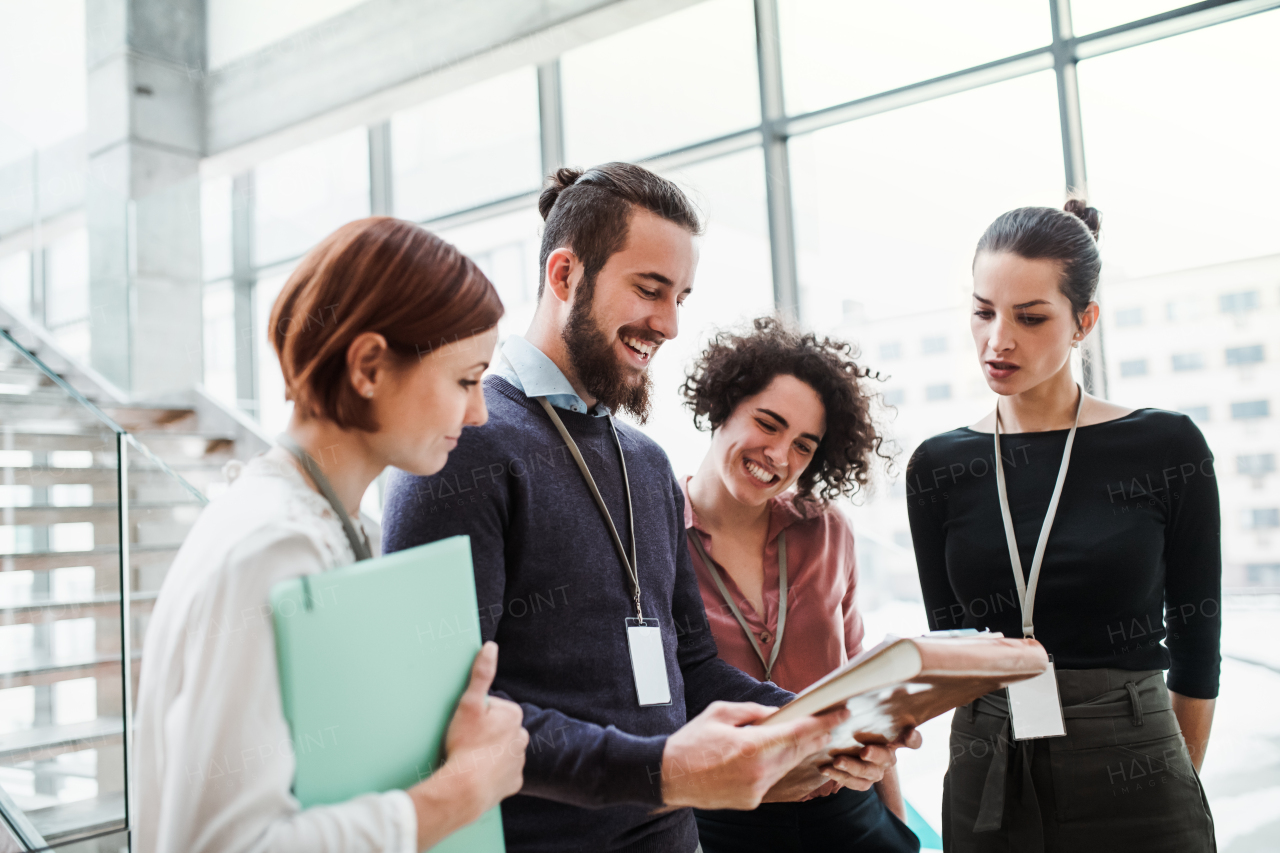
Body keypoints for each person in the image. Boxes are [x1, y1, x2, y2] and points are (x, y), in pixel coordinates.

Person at [381, 163, 887, 853]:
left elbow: (695, 667)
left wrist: (824, 723)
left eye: (680, 296)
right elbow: (438, 707)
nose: (670, 323)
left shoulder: (644, 462)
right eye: (650, 290)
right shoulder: (465, 446)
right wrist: (662, 769)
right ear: (565, 276)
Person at [134, 217, 529, 853]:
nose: (479, 413)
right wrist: (461, 792)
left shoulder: (307, 519)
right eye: (464, 380)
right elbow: (226, 845)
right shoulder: (274, 543)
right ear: (370, 366)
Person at [906, 200, 1219, 851]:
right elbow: (952, 645)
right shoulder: (939, 466)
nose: (999, 339)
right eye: (983, 310)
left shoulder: (1165, 445)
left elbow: (1197, 642)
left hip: (1134, 758)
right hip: (989, 760)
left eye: (1030, 316)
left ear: (1085, 322)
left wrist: (1172, 771)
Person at [679, 318, 921, 852]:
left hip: (848, 817)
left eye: (804, 446)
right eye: (768, 424)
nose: (780, 457)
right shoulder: (654, 536)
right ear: (723, 405)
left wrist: (898, 830)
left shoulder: (827, 531)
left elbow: (859, 680)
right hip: (721, 825)